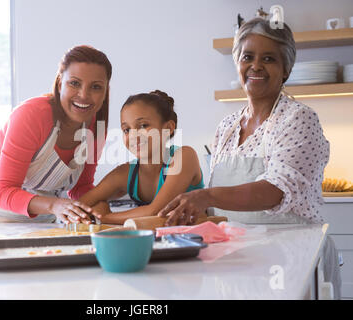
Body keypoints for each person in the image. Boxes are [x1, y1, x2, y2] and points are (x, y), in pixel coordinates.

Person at [158, 17, 341, 299]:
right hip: (238, 261)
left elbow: (274, 191)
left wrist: (206, 196)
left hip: (294, 260)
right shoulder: (227, 127)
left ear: (285, 70)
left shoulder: (298, 118)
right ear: (237, 63)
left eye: (268, 58)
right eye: (248, 57)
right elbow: (223, 210)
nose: (255, 66)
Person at [0, 45, 111, 224]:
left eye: (96, 87)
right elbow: (3, 191)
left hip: (46, 219)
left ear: (105, 92)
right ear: (60, 84)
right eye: (74, 83)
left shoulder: (96, 127)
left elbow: (81, 187)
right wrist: (54, 206)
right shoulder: (31, 115)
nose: (84, 95)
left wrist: (100, 209)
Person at [79, 90, 204, 225]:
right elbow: (81, 205)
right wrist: (98, 208)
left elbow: (155, 211)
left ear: (168, 128)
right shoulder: (126, 173)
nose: (133, 135)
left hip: (194, 240)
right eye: (127, 130)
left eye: (143, 125)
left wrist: (103, 217)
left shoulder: (184, 156)